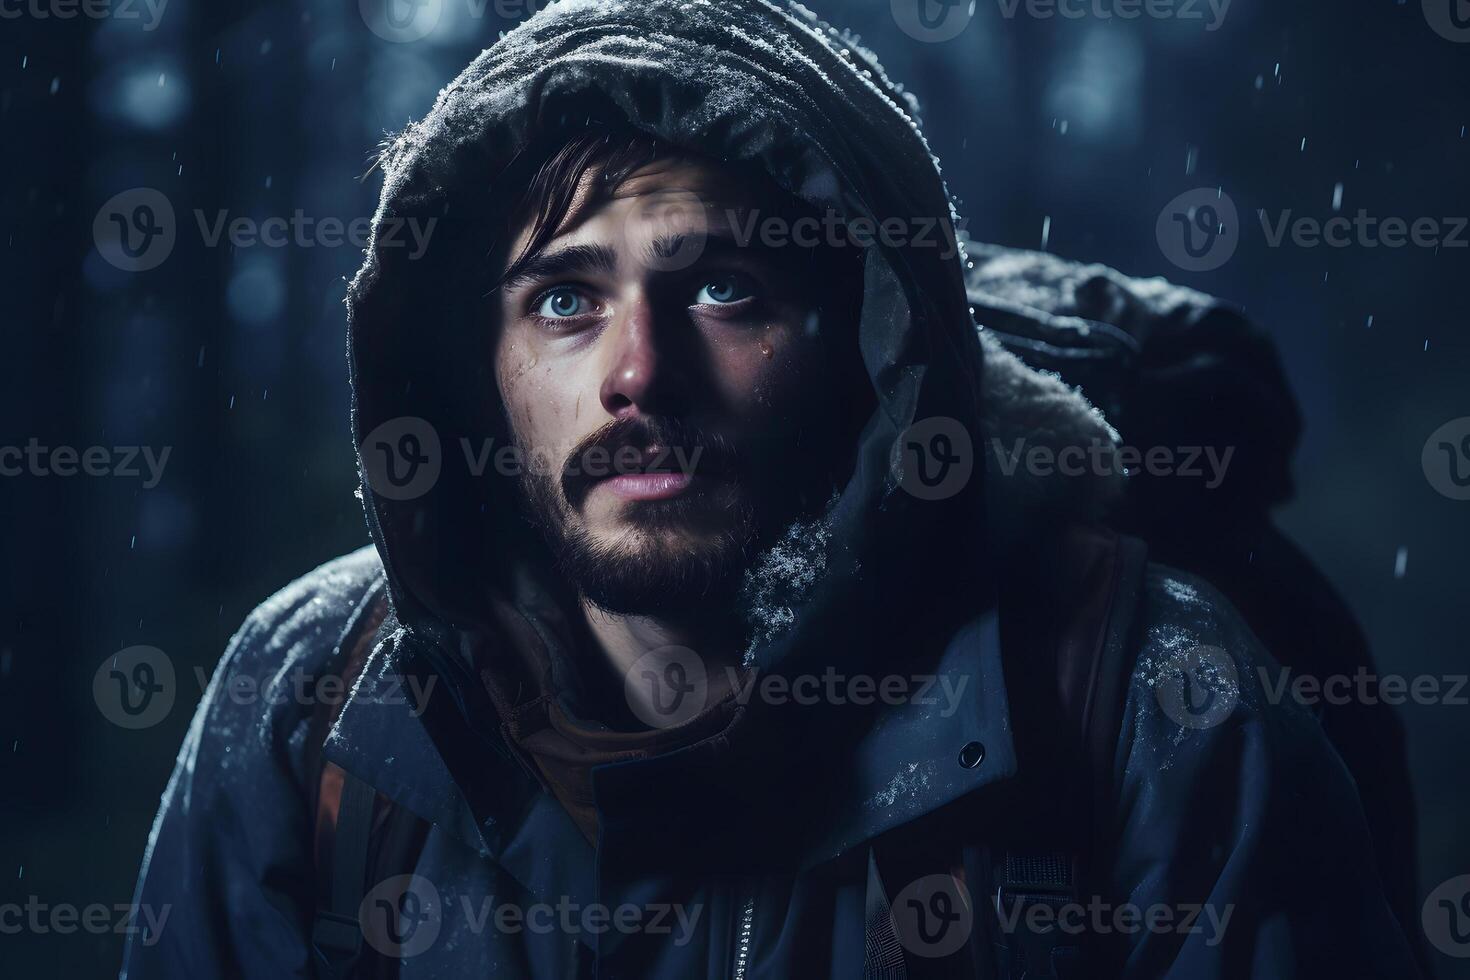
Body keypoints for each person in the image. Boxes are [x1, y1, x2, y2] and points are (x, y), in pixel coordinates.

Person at [122, 1, 1419, 976]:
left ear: (874, 344)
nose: (639, 373)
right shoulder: (308, 707)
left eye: (723, 288)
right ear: (476, 374)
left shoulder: (1152, 705)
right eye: (565, 300)